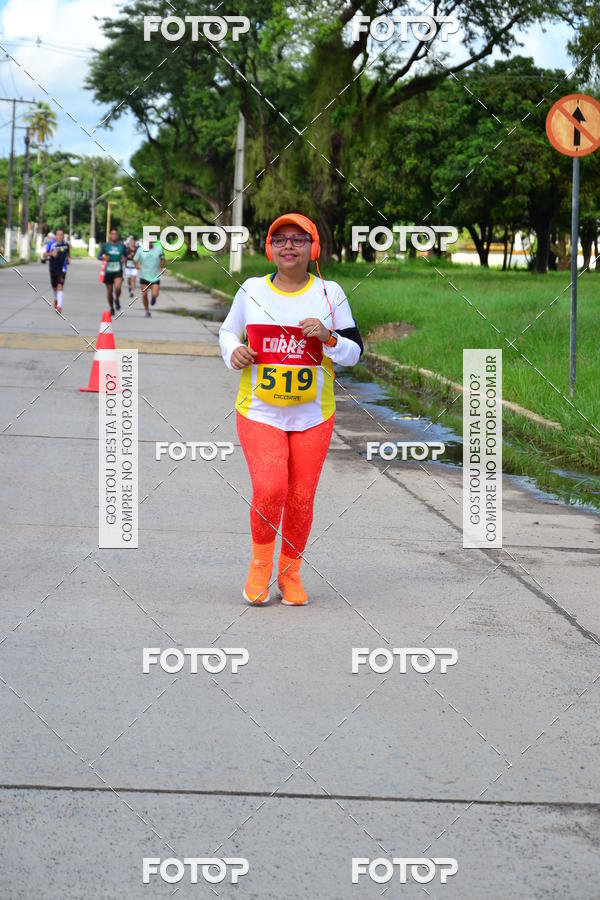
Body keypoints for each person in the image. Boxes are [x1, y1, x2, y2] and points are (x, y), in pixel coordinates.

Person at [219, 213, 363, 606]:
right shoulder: (251, 289)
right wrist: (234, 351)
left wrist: (329, 337)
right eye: (280, 239)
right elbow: (228, 331)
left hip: (313, 414)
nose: (289, 246)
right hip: (260, 411)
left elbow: (354, 353)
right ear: (269, 248)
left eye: (298, 239)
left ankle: (290, 573)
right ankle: (260, 566)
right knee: (270, 488)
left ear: (313, 248)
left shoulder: (330, 294)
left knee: (301, 498)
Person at [134, 238, 165, 317]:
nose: (149, 242)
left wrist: (161, 267)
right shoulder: (140, 250)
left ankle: (153, 298)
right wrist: (137, 265)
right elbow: (135, 260)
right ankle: (147, 311)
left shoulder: (158, 249)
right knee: (144, 295)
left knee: (155, 294)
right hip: (144, 276)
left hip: (155, 277)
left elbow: (163, 259)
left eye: (151, 241)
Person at [97, 228, 126, 314]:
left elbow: (126, 255)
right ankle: (112, 307)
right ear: (110, 235)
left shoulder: (121, 246)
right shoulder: (106, 245)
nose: (114, 235)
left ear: (118, 235)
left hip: (118, 270)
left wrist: (125, 259)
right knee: (109, 292)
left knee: (117, 287)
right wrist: (103, 257)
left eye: (116, 234)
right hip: (108, 270)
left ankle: (117, 299)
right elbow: (98, 256)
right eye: (112, 234)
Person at [42, 227, 70, 313]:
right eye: (58, 235)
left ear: (63, 236)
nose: (60, 236)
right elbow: (45, 254)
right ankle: (56, 298)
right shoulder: (51, 244)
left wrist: (68, 259)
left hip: (62, 269)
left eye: (61, 235)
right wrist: (51, 253)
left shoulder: (66, 244)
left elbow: (68, 253)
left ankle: (59, 306)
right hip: (53, 268)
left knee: (60, 286)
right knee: (54, 287)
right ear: (56, 236)